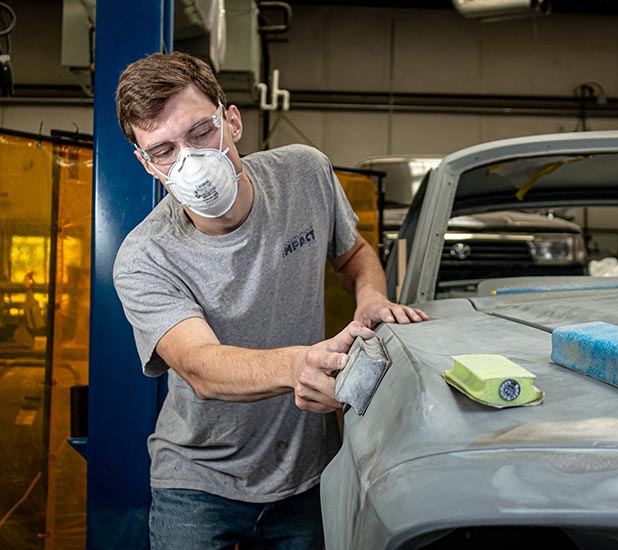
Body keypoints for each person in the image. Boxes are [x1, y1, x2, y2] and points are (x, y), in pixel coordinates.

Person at [112, 51, 428, 550]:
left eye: (200, 132)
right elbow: (201, 366)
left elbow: (354, 254)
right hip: (198, 484)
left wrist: (370, 297)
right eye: (165, 150)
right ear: (147, 164)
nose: (191, 161)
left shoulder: (305, 174)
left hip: (309, 474)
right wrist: (298, 365)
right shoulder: (144, 257)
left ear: (231, 121)